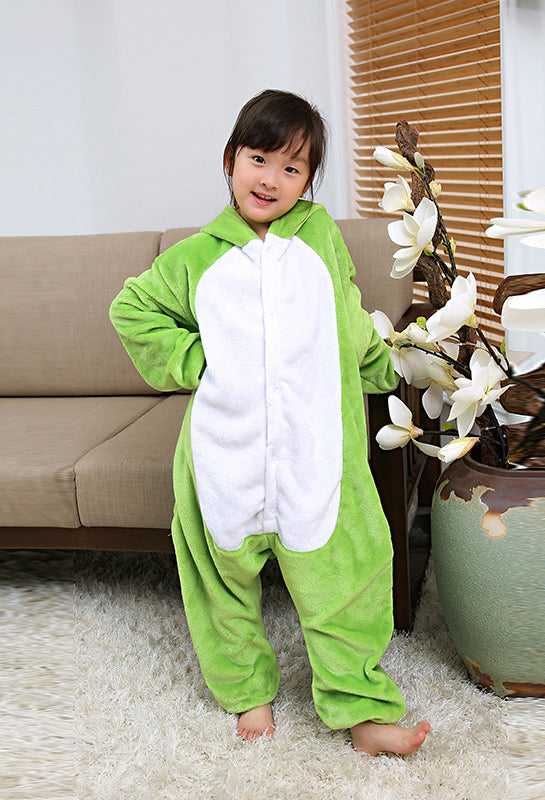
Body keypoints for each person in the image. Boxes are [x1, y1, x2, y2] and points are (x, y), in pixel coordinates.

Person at [109, 89, 430, 756]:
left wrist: (384, 369)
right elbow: (131, 310)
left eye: (292, 168)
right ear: (230, 160)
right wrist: (199, 360)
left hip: (317, 445)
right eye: (259, 159)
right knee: (221, 580)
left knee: (348, 576)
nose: (270, 179)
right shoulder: (196, 257)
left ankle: (363, 713)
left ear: (307, 182)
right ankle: (247, 692)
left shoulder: (319, 236)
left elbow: (345, 312)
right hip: (224, 449)